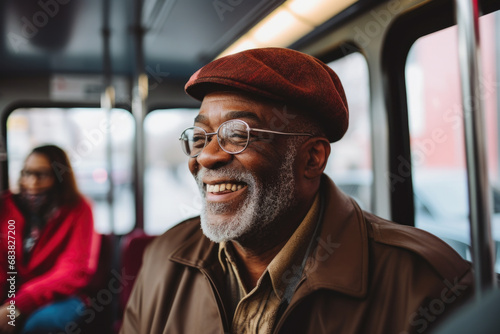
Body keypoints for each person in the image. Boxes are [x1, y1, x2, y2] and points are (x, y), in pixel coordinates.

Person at [120, 47, 473, 334]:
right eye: (200, 137)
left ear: (311, 159)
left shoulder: (427, 284)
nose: (207, 156)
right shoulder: (164, 257)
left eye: (237, 135)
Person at [0, 145, 100, 334]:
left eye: (41, 175)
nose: (31, 182)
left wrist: (19, 304)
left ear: (59, 177)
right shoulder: (6, 206)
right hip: (13, 295)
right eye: (26, 173)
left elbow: (74, 270)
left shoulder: (79, 210)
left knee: (41, 325)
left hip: (63, 297)